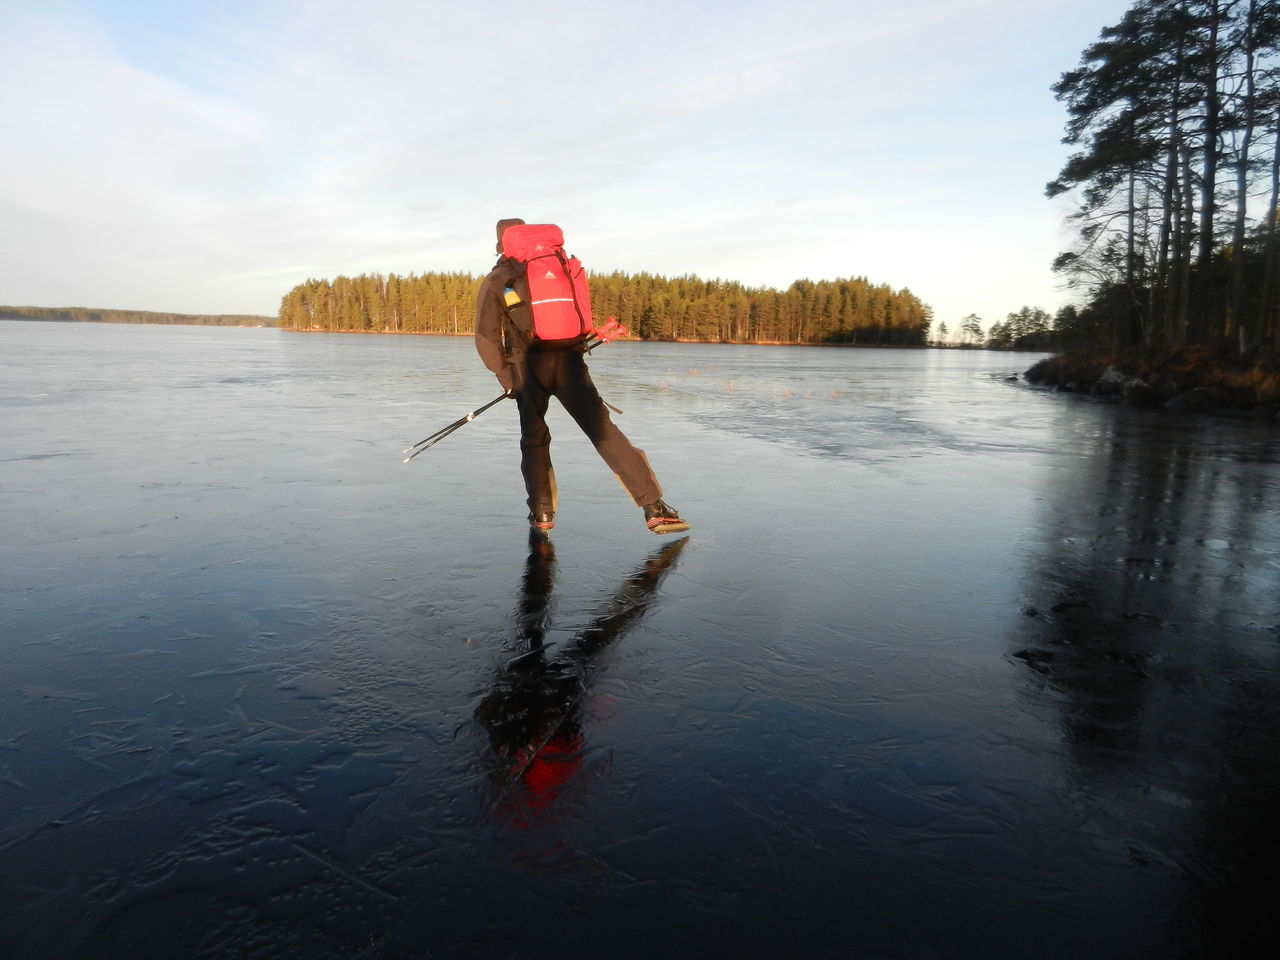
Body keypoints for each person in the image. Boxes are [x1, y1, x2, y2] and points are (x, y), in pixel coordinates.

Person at [474, 218, 688, 535]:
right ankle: (654, 507)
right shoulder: (561, 265)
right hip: (569, 362)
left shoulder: (498, 278)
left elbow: (486, 338)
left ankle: (542, 513)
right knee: (604, 431)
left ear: (501, 244)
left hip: (526, 368)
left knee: (535, 439)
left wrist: (507, 380)